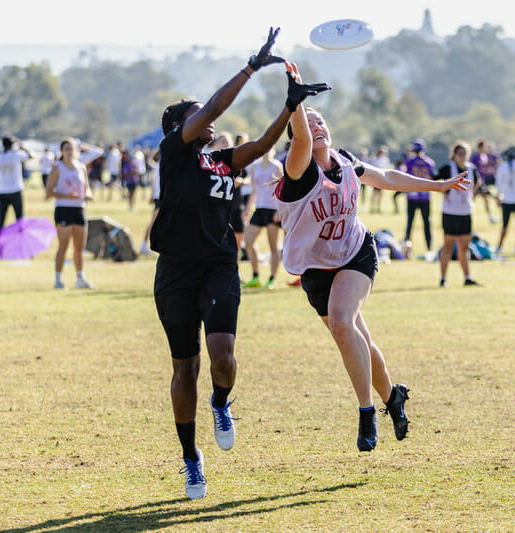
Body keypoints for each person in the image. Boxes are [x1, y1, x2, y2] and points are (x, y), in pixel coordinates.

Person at [150, 29, 327, 500]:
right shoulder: (174, 154)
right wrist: (251, 67)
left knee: (223, 358)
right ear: (180, 128)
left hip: (218, 268)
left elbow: (267, 144)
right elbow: (211, 111)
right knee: (183, 368)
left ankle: (221, 402)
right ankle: (191, 458)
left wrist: (292, 106)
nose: (207, 122)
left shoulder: (222, 161)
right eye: (196, 118)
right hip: (175, 274)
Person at [275, 73, 468, 453]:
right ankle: (393, 396)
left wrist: (436, 186)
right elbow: (298, 137)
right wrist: (294, 103)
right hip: (317, 267)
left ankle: (367, 412)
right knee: (356, 337)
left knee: (344, 324)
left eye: (321, 122)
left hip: (356, 252)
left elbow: (388, 178)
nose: (316, 127)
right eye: (309, 124)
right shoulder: (298, 172)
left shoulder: (345, 162)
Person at [46, 138, 94, 290]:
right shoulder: (57, 168)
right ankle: (58, 279)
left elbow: (87, 187)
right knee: (64, 246)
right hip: (63, 209)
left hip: (79, 209)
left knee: (79, 247)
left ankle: (80, 278)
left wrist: (88, 195)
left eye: (71, 149)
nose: (69, 152)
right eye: (66, 149)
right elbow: (49, 192)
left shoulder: (81, 167)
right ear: (62, 152)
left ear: (77, 151)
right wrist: (68, 196)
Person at [436, 142, 482, 287]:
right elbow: (435, 180)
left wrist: (473, 194)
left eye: (464, 154)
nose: (462, 157)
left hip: (465, 212)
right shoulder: (448, 168)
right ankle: (443, 279)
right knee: (448, 246)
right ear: (454, 155)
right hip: (450, 212)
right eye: (459, 153)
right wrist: (445, 193)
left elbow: (478, 182)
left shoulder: (471, 169)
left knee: (464, 247)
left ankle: (467, 277)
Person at [241, 147, 284, 289]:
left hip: (272, 210)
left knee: (273, 246)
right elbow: (254, 191)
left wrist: (280, 210)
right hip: (259, 209)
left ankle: (271, 279)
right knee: (248, 241)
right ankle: (255, 276)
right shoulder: (255, 167)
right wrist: (248, 209)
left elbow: (282, 190)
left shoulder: (276, 166)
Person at [0, 137, 34, 235]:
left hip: (2, 192)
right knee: (20, 220)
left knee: (1, 221)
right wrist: (21, 145)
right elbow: (31, 156)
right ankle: (21, 241)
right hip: (16, 190)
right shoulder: (17, 155)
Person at [402, 139, 435, 258]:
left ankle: (406, 247)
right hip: (425, 196)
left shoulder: (409, 162)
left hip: (412, 195)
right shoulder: (429, 162)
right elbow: (432, 178)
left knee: (410, 222)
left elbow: (405, 176)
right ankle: (429, 247)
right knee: (427, 222)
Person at [470, 140, 500, 224]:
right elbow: (472, 169)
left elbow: (483, 169)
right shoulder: (475, 158)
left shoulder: (485, 156)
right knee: (472, 200)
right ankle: (466, 214)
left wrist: (487, 171)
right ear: (479, 148)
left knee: (486, 198)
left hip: (482, 182)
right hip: (476, 182)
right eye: (484, 147)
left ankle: (490, 217)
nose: (485, 149)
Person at [139, 149, 162, 255]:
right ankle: (143, 245)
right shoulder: (161, 164)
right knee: (153, 222)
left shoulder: (158, 164)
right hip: (161, 197)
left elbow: (154, 181)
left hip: (158, 196)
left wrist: (152, 195)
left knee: (155, 222)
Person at [369, 146, 390, 214]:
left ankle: (378, 207)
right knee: (375, 194)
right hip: (376, 178)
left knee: (381, 194)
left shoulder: (386, 159)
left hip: (383, 178)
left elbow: (387, 168)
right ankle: (372, 207)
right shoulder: (375, 159)